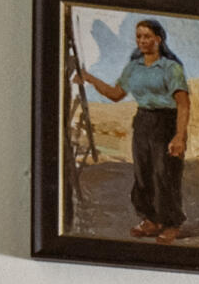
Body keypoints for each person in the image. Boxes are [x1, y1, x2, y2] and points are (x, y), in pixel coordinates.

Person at [74, 18, 192, 241]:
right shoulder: (133, 67)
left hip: (166, 122)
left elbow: (183, 103)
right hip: (143, 122)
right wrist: (89, 78)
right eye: (139, 36)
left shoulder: (170, 67)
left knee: (164, 173)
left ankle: (171, 223)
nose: (142, 41)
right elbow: (115, 94)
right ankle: (151, 219)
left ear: (158, 39)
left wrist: (179, 136)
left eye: (147, 36)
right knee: (143, 173)